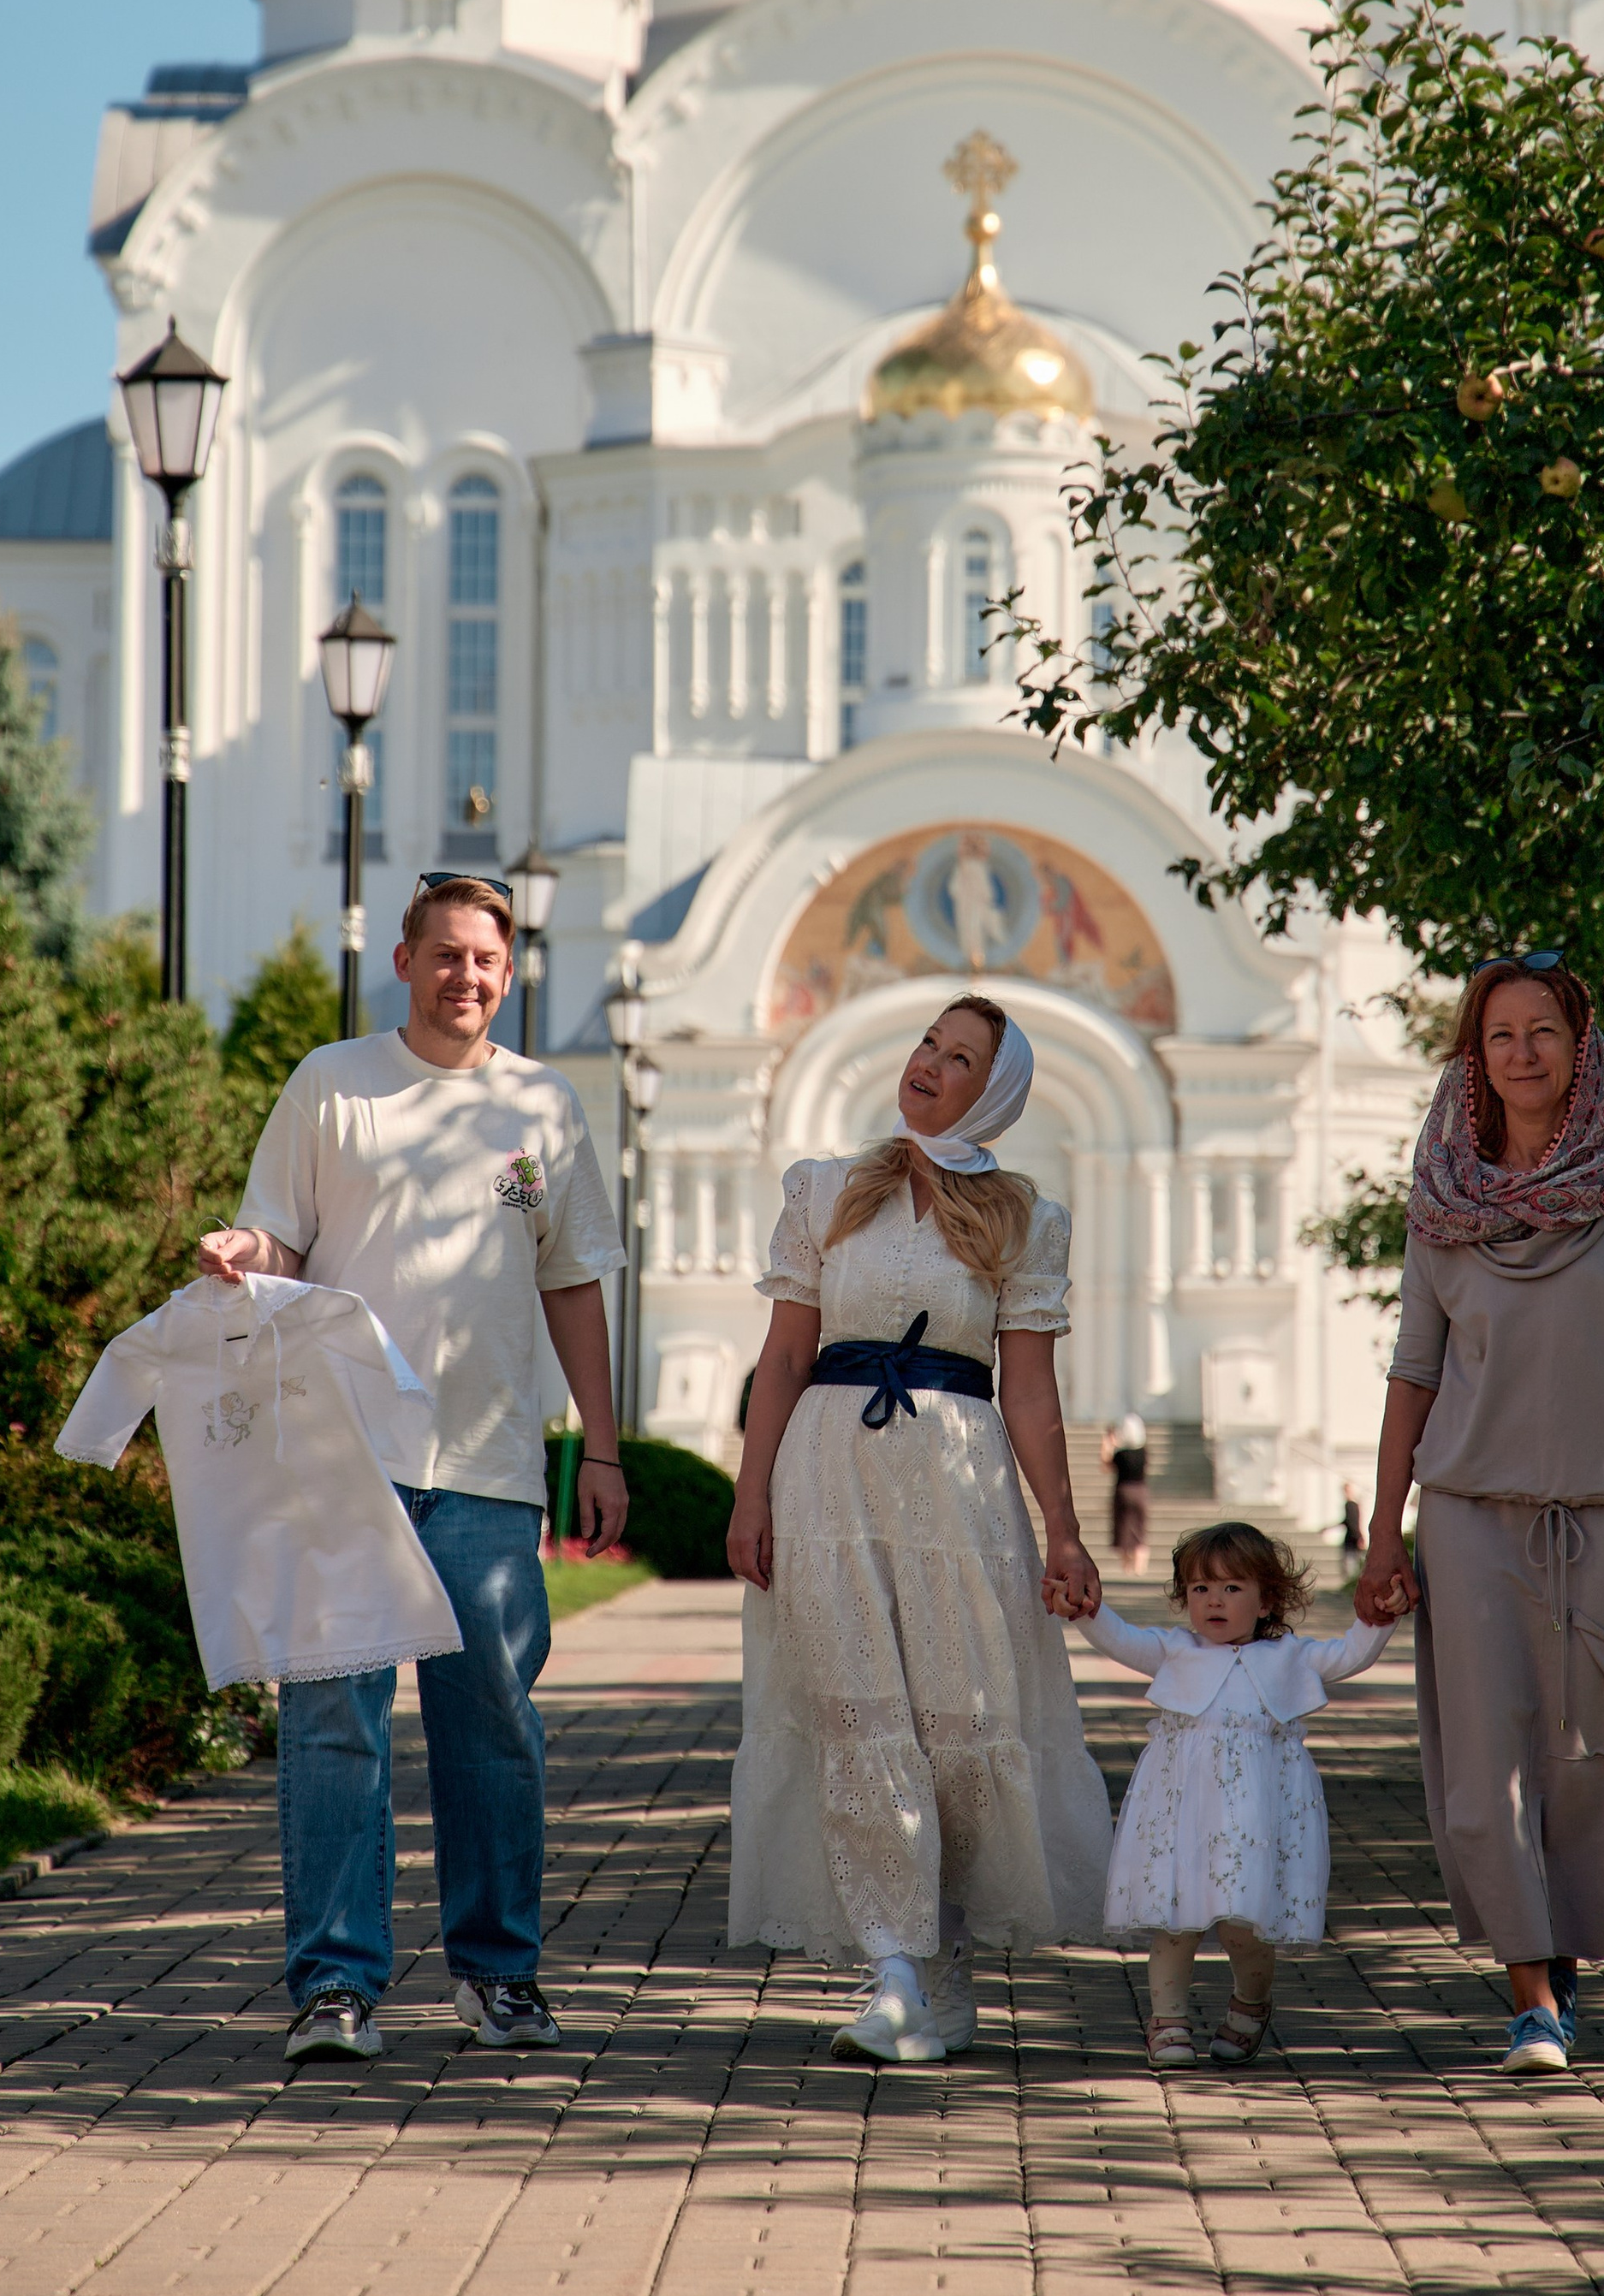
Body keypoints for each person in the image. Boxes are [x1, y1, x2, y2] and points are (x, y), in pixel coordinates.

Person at [196, 872, 627, 2070]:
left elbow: (572, 1281)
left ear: (510, 972)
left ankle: (499, 1977)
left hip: (488, 1470)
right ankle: (336, 1987)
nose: (467, 978)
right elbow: (279, 1232)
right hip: (340, 1463)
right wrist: (244, 1254)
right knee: (336, 1727)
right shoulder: (333, 1085)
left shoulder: (541, 1108)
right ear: (404, 959)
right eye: (446, 955)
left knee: (495, 1729)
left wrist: (601, 1442)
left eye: (487, 961)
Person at [1354, 954, 1604, 2079]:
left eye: (1542, 1033)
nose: (1521, 1053)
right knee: (1490, 1761)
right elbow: (1411, 1375)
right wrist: (1385, 1529)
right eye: (1498, 1037)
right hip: (1472, 1516)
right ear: (1474, 1059)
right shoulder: (1442, 1208)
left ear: (1581, 1050)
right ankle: (1532, 1999)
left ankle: (1567, 1956)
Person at [725, 996, 1113, 2064]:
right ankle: (890, 1966)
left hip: (957, 1488)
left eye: (959, 1058)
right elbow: (784, 1358)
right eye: (925, 1046)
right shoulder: (824, 1191)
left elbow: (1029, 1394)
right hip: (825, 1476)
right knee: (856, 1715)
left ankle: (940, 1967)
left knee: (955, 1722)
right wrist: (749, 1494)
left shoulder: (1028, 1219)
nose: (928, 1067)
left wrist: (1066, 1532)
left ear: (994, 1089)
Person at [1080, 1522, 1393, 2070]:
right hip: (1181, 1814)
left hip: (1259, 1817)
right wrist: (1082, 1608)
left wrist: (1381, 1618)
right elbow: (1119, 1637)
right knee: (1174, 1919)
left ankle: (1251, 2002)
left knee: (1244, 1927)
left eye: (1231, 1588)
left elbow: (1350, 1655)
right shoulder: (1175, 1651)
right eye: (1200, 1589)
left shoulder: (1290, 1657)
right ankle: (1168, 2020)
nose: (1213, 1601)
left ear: (1267, 1597)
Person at [1099, 1412, 1150, 1576]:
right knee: (1139, 1530)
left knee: (1123, 1529)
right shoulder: (1143, 1453)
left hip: (1123, 1492)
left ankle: (1127, 1567)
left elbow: (1105, 1465)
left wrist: (1108, 1443)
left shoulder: (1121, 1454)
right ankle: (1140, 1567)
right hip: (1140, 1492)